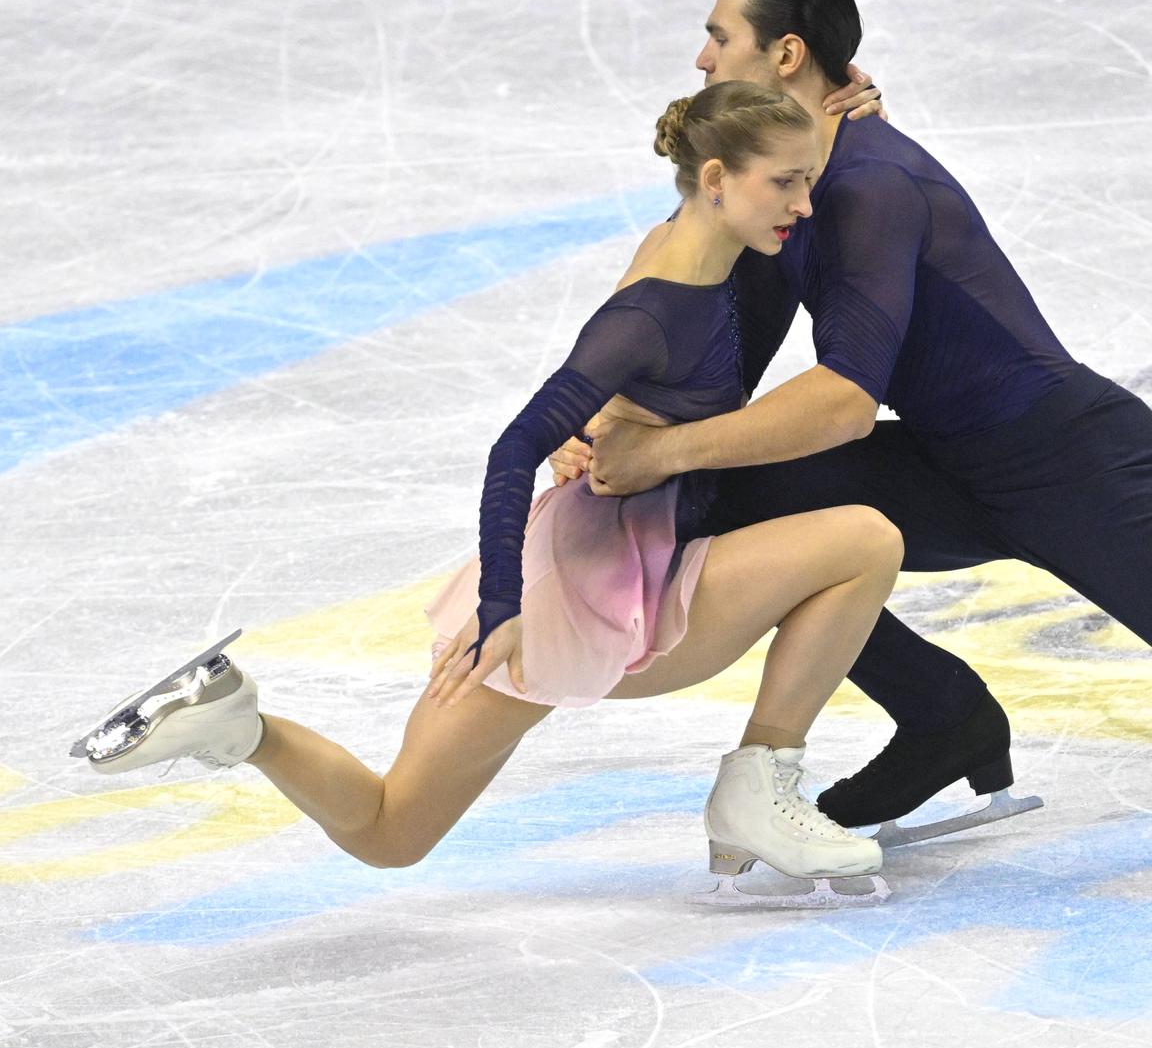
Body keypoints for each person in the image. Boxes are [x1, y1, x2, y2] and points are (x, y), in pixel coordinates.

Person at [73, 81, 904, 901]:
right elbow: (515, 449)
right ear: (717, 179)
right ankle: (756, 788)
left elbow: (774, 168)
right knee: (865, 540)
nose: (803, 201)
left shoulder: (684, 243)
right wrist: (503, 609)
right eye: (786, 183)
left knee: (390, 831)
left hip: (584, 564)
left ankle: (238, 726)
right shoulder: (650, 314)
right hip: (585, 593)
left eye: (806, 178)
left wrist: (847, 116)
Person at [550, 0, 1152, 838]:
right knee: (724, 504)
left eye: (720, 36)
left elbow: (841, 403)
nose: (703, 59)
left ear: (785, 55)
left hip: (1070, 459)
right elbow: (707, 359)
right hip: (947, 468)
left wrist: (661, 451)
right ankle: (945, 716)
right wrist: (602, 430)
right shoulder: (784, 191)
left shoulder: (871, 182)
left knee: (694, 470)